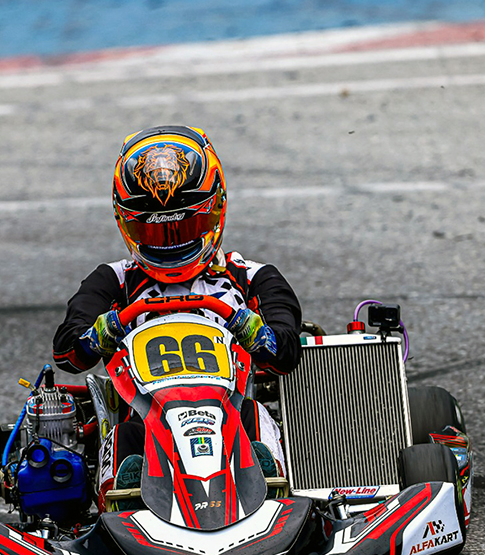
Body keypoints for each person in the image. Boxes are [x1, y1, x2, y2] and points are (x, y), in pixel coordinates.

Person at [52, 125, 302, 508]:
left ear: (214, 209)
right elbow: (68, 351)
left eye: (183, 226)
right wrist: (99, 334)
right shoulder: (114, 280)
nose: (171, 243)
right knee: (126, 437)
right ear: (126, 222)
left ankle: (272, 495)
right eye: (155, 231)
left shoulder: (252, 277)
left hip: (230, 408)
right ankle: (124, 509)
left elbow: (286, 352)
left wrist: (258, 333)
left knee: (253, 418)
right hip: (146, 414)